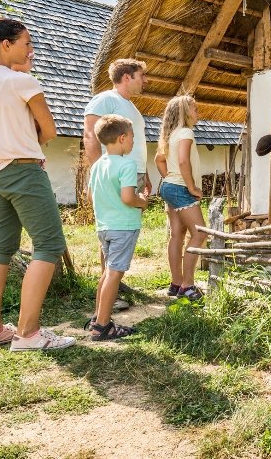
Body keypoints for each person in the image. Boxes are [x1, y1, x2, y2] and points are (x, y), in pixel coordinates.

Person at [0, 12, 74, 351]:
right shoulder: (21, 81)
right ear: (6, 45)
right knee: (49, 246)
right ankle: (28, 334)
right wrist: (26, 142)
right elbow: (50, 131)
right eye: (26, 44)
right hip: (22, 171)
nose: (32, 50)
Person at [84, 58, 150, 307]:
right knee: (114, 227)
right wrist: (96, 174)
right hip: (113, 174)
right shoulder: (105, 100)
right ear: (126, 77)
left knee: (124, 229)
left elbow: (139, 144)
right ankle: (109, 293)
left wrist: (146, 174)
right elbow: (90, 135)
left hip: (133, 172)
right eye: (141, 76)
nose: (145, 81)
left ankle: (114, 282)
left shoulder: (131, 106)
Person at [86, 114, 147, 340]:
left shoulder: (97, 166)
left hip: (104, 227)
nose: (133, 141)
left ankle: (98, 317)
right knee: (114, 274)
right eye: (132, 137)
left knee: (107, 272)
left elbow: (90, 196)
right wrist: (143, 201)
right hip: (124, 226)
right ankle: (102, 326)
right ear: (122, 138)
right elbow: (128, 198)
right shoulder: (127, 164)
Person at [154, 94, 208, 301]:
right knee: (199, 234)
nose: (198, 113)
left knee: (177, 235)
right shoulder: (186, 132)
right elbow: (184, 161)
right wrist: (191, 186)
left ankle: (176, 283)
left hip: (168, 186)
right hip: (180, 188)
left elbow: (159, 160)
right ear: (185, 112)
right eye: (195, 109)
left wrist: (169, 177)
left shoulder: (170, 134)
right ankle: (187, 285)